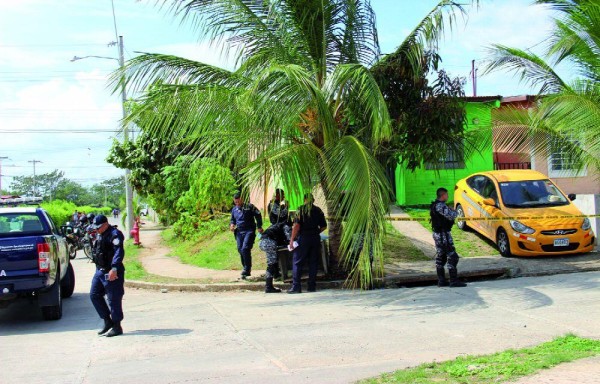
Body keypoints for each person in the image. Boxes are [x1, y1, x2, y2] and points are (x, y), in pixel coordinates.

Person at [89, 214, 126, 337]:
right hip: (100, 271)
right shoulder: (100, 234)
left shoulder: (114, 234)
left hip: (112, 271)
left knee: (113, 298)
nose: (97, 229)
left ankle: (117, 326)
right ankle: (107, 321)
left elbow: (118, 251)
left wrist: (114, 268)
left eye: (99, 227)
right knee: (94, 295)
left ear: (105, 224)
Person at [288, 193, 327, 294]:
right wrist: (315, 232)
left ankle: (296, 287)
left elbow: (296, 226)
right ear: (313, 200)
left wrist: (292, 239)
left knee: (297, 262)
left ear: (304, 199)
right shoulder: (318, 210)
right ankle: (311, 286)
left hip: (304, 238)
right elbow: (324, 226)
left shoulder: (300, 209)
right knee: (313, 262)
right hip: (315, 238)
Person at [430, 187, 467, 288]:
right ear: (442, 195)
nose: (448, 196)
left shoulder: (435, 205)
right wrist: (453, 211)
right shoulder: (440, 206)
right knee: (453, 256)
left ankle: (441, 281)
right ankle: (453, 281)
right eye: (446, 194)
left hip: (439, 234)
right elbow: (452, 215)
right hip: (443, 235)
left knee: (441, 256)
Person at [230, 192, 263, 279]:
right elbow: (232, 219)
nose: (237, 204)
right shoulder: (234, 209)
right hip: (239, 232)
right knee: (240, 249)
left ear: (242, 199)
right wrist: (232, 225)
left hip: (249, 230)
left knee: (245, 248)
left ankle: (247, 269)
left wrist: (259, 226)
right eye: (235, 202)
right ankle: (245, 268)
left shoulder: (249, 207)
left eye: (238, 202)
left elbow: (258, 215)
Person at [258, 222, 291, 293]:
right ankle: (268, 286)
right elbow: (289, 239)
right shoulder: (286, 226)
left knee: (272, 263)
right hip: (269, 242)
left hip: (263, 242)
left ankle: (274, 278)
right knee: (271, 265)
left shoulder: (276, 225)